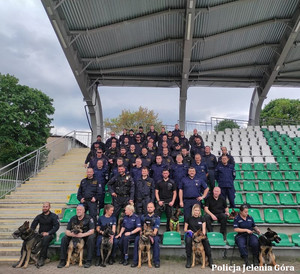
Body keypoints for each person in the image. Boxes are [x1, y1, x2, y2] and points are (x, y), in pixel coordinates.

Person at [57, 204, 95, 268]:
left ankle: (89, 261)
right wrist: (72, 234)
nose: (78, 211)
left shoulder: (89, 218)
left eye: (80, 210)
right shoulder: (73, 218)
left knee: (91, 238)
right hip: (74, 236)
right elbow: (67, 231)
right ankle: (63, 260)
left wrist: (82, 234)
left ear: (84, 211)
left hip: (85, 236)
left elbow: (92, 230)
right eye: (77, 210)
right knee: (64, 238)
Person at [28, 202, 60, 267]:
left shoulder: (54, 216)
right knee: (28, 239)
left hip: (51, 235)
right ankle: (23, 259)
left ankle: (42, 258)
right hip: (41, 234)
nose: (44, 208)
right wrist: (34, 233)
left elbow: (56, 227)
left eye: (46, 206)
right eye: (44, 206)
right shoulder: (39, 216)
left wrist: (48, 233)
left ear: (49, 207)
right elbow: (33, 226)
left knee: (45, 238)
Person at [131, 202, 160, 268]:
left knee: (156, 241)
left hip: (152, 235)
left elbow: (155, 231)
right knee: (137, 239)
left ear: (154, 208)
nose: (149, 209)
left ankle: (156, 262)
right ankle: (135, 261)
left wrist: (150, 235)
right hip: (143, 235)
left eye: (151, 207)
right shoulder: (143, 217)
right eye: (148, 207)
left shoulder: (157, 218)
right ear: (147, 208)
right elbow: (140, 228)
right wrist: (141, 233)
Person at [184, 204, 213, 268]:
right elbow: (185, 229)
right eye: (195, 210)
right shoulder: (189, 218)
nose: (196, 212)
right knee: (188, 241)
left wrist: (201, 236)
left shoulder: (202, 218)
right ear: (193, 211)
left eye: (198, 210)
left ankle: (210, 260)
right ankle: (189, 260)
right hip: (191, 235)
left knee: (206, 241)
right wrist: (188, 230)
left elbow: (204, 229)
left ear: (200, 211)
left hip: (200, 235)